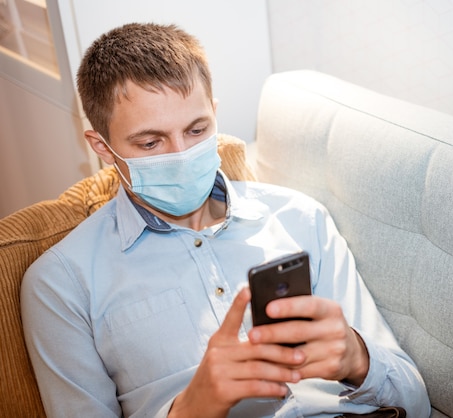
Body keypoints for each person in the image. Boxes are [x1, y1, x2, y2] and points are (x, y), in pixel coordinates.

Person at [20, 23, 430, 418]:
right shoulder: (61, 283)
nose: (181, 154)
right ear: (103, 147)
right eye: (150, 142)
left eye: (197, 130)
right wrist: (192, 409)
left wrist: (358, 357)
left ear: (215, 115)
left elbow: (414, 400)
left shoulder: (301, 219)